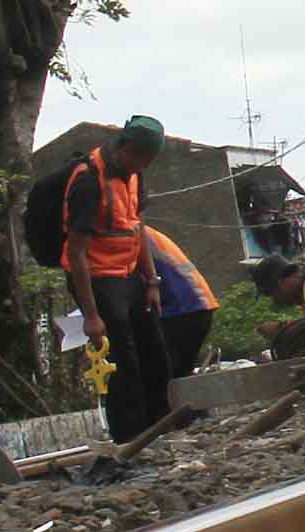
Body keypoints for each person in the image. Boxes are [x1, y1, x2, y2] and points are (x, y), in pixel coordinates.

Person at [58, 113, 172, 441]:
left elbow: (138, 230)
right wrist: (91, 317)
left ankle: (161, 426)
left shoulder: (134, 176)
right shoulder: (88, 182)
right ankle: (131, 439)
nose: (144, 166)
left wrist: (151, 282)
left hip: (129, 276)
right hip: (96, 279)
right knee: (124, 361)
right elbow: (76, 253)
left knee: (155, 352)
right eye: (141, 158)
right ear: (125, 148)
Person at [147, 226, 219, 381]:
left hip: (182, 309)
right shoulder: (141, 232)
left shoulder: (129, 234)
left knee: (165, 376)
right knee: (178, 376)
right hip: (196, 306)